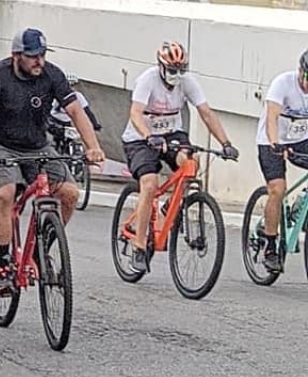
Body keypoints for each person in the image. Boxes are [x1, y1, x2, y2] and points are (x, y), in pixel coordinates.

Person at [0, 29, 105, 291]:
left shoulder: (52, 75)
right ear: (16, 55)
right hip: (2, 147)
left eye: (43, 55)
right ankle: (1, 261)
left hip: (38, 146)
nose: (40, 61)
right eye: (33, 56)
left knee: (69, 193)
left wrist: (93, 147)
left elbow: (75, 111)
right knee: (5, 194)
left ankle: (39, 250)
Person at [121, 41, 238, 274]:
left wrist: (225, 143)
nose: (177, 75)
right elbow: (135, 113)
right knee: (150, 183)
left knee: (190, 163)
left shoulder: (187, 82)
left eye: (181, 70)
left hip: (171, 133)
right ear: (161, 66)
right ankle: (139, 247)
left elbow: (206, 113)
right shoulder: (147, 80)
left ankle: (169, 206)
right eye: (172, 70)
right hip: (140, 137)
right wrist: (148, 136)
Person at [253, 50, 308, 272]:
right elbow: (272, 118)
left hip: (300, 139)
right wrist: (275, 143)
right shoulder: (283, 84)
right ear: (300, 71)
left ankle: (300, 207)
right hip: (271, 141)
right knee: (277, 188)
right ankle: (270, 246)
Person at [48, 72, 102, 151]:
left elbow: (87, 111)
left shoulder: (78, 96)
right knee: (55, 137)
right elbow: (48, 108)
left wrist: (95, 124)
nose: (71, 88)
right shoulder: (57, 94)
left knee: (74, 136)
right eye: (69, 85)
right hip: (55, 120)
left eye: (73, 85)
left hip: (68, 121)